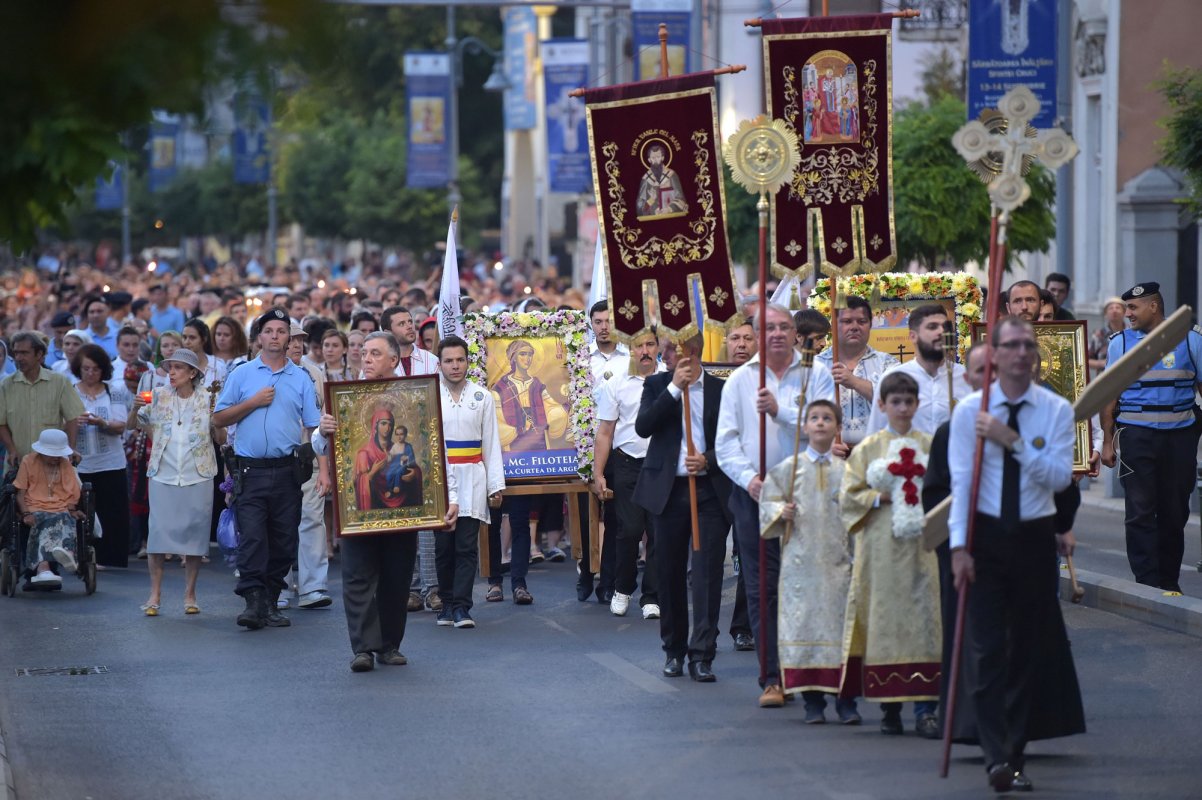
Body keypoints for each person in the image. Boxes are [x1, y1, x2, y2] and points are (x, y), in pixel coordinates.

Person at [950, 317, 1083, 793]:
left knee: (1026, 651)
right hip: (984, 536)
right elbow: (961, 483)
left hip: (1032, 536)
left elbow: (1059, 477)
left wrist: (1012, 441)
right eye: (1012, 345)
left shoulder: (1055, 409)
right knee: (987, 651)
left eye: (1029, 345)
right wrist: (959, 547)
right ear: (996, 353)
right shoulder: (971, 411)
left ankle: (1016, 753)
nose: (1022, 352)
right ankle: (994, 756)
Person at [313, 331, 460, 671]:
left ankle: (389, 644)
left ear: (394, 359)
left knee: (397, 578)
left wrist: (448, 497)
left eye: (375, 353)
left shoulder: (417, 395)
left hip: (403, 510)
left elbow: (436, 451)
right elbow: (322, 447)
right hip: (360, 508)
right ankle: (363, 648)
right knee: (357, 577)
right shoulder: (345, 398)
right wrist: (323, 430)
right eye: (364, 352)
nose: (366, 358)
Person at [716, 303, 834, 708]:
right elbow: (726, 442)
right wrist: (750, 480)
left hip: (807, 491)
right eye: (769, 328)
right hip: (756, 495)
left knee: (808, 581)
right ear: (757, 334)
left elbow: (823, 430)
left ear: (795, 333)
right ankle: (772, 677)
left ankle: (811, 670)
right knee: (762, 586)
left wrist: (780, 413)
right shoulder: (739, 381)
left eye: (785, 326)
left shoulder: (816, 374)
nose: (778, 334)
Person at [839, 371, 940, 737]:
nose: (902, 408)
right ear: (881, 405)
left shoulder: (929, 446)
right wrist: (880, 496)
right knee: (885, 622)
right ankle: (890, 707)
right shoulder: (869, 448)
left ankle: (926, 709)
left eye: (909, 402)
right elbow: (848, 495)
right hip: (880, 549)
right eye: (895, 402)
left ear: (917, 405)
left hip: (922, 550)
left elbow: (943, 490)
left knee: (925, 621)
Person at [213, 307, 321, 630]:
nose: (275, 337)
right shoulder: (242, 374)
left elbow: (314, 427)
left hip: (287, 469)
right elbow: (219, 418)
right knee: (253, 538)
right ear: (259, 337)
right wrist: (253, 403)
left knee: (284, 539)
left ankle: (272, 599)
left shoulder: (300, 377)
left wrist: (324, 470)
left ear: (289, 338)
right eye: (269, 331)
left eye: (281, 331)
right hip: (251, 471)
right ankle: (253, 600)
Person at [633, 334, 731, 682]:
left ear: (693, 351)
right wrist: (674, 388)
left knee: (707, 574)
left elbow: (734, 439)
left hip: (709, 492)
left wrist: (708, 460)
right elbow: (643, 426)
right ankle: (673, 650)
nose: (665, 356)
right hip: (668, 491)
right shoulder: (656, 384)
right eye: (665, 350)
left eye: (672, 350)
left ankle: (702, 653)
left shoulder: (721, 390)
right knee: (669, 572)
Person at [758, 399, 859, 723]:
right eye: (814, 418)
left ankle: (846, 702)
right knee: (804, 627)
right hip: (801, 567)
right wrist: (781, 512)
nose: (820, 423)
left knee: (841, 631)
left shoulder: (848, 472)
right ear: (804, 427)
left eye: (827, 418)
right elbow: (768, 505)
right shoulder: (789, 470)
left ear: (838, 427)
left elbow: (859, 514)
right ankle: (812, 703)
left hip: (838, 566)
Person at [1101, 281, 1202, 594]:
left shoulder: (1190, 339)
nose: (1127, 314)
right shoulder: (1120, 343)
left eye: (1133, 308)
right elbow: (1109, 396)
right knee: (1140, 511)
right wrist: (1107, 442)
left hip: (1180, 437)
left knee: (1174, 511)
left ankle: (1168, 582)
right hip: (1136, 436)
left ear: (1154, 307)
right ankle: (1146, 583)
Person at [130, 348, 224, 616]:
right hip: (163, 473)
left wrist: (217, 420)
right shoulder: (159, 395)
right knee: (157, 536)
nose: (171, 372)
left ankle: (190, 594)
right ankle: (154, 594)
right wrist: (135, 408)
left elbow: (221, 439)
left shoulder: (209, 398)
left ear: (192, 373)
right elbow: (133, 424)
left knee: (195, 536)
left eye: (178, 368)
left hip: (198, 473)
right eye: (170, 367)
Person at [435, 336, 505, 623]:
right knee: (444, 548)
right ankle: (446, 603)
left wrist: (494, 485)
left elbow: (491, 442)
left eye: (460, 360)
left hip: (473, 475)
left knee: (466, 545)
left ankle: (462, 606)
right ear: (439, 365)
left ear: (468, 362)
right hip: (441, 479)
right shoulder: (430, 396)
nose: (455, 366)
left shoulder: (482, 396)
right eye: (449, 361)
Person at [593, 330, 661, 619]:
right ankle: (622, 588)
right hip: (626, 463)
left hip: (660, 465)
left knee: (657, 532)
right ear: (630, 349)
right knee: (629, 530)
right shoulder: (617, 383)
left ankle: (652, 596)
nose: (645, 351)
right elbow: (605, 432)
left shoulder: (669, 380)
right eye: (638, 345)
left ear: (658, 347)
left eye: (650, 344)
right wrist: (598, 473)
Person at [380, 304, 441, 611]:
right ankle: (411, 588)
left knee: (428, 520)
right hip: (393, 453)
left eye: (410, 322)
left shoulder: (430, 360)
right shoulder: (379, 363)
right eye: (402, 323)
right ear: (388, 331)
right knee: (402, 520)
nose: (409, 327)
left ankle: (432, 588)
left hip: (426, 450)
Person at [866, 304, 970, 436]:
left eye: (945, 327)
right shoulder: (892, 378)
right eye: (932, 327)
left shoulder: (966, 377)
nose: (941, 331)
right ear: (913, 336)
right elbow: (875, 434)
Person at [71, 344, 131, 569]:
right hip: (81, 462)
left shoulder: (113, 391)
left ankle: (111, 557)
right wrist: (73, 423)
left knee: (112, 510)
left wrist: (101, 422)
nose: (90, 373)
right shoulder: (70, 391)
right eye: (86, 368)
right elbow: (60, 422)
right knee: (81, 511)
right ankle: (81, 556)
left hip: (110, 462)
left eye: (95, 369)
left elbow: (121, 425)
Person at [816, 296, 898, 445]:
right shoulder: (817, 365)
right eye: (847, 321)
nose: (854, 327)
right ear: (834, 325)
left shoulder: (887, 363)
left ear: (870, 325)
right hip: (830, 451)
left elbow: (898, 403)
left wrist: (854, 382)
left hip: (877, 451)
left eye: (861, 321)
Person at [0, 331, 84, 472]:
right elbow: (1, 423)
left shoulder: (59, 382)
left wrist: (71, 448)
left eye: (24, 353)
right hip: (18, 464)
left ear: (39, 354)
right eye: (16, 353)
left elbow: (72, 418)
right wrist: (11, 449)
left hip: (53, 464)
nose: (18, 358)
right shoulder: (5, 385)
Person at [15, 429, 82, 590]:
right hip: (34, 505)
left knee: (66, 518)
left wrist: (72, 510)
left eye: (58, 454)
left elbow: (71, 491)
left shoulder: (65, 463)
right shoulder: (28, 461)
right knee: (42, 520)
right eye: (52, 454)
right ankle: (43, 567)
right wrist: (25, 513)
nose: (55, 457)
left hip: (60, 505)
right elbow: (20, 493)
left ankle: (68, 553)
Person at [636, 143, 688, 220]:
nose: (655, 160)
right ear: (649, 160)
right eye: (653, 157)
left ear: (662, 158)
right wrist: (651, 201)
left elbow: (680, 198)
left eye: (658, 157)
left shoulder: (671, 175)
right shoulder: (646, 179)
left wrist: (669, 209)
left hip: (672, 218)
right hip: (652, 220)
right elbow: (639, 205)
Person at [1088, 296, 1125, 373]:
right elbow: (1087, 360)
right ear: (1106, 314)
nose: (1114, 310)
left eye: (1118, 308)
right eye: (1111, 308)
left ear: (1124, 312)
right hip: (1105, 378)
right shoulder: (1099, 335)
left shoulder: (1133, 333)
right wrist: (1102, 363)